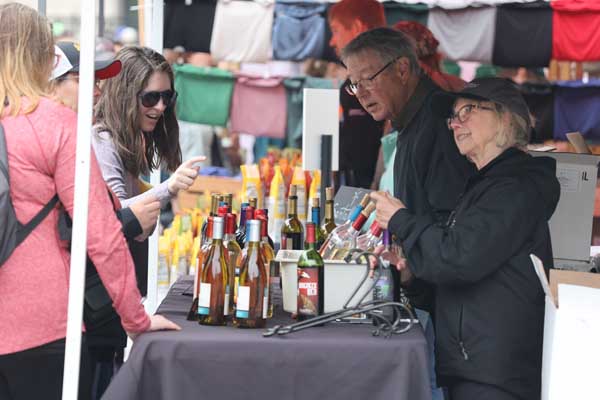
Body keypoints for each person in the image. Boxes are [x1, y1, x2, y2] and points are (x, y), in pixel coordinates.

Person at [0, 4, 179, 399]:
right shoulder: (55, 124)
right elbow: (101, 234)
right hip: (43, 326)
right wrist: (136, 319)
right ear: (43, 56)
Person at [371, 77, 560, 400]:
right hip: (476, 366)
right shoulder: (484, 185)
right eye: (453, 117)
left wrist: (402, 220)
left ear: (504, 116)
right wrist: (412, 277)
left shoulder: (514, 187)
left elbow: (460, 258)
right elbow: (458, 277)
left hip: (496, 373)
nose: (455, 124)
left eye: (467, 110)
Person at [342, 27, 475, 399]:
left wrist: (409, 252)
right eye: (353, 85)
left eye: (366, 80)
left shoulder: (435, 122)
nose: (361, 94)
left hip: (446, 305)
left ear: (402, 68)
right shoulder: (411, 123)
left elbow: (451, 223)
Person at [51, 41, 163, 400]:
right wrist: (132, 218)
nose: (98, 88)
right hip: (73, 318)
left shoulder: (73, 141)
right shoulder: (68, 144)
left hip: (88, 317)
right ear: (52, 83)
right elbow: (83, 233)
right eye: (84, 79)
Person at [327, 0, 386, 189]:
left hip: (369, 193)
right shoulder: (361, 73)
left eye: (336, 30)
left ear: (357, 27)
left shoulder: (379, 76)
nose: (332, 41)